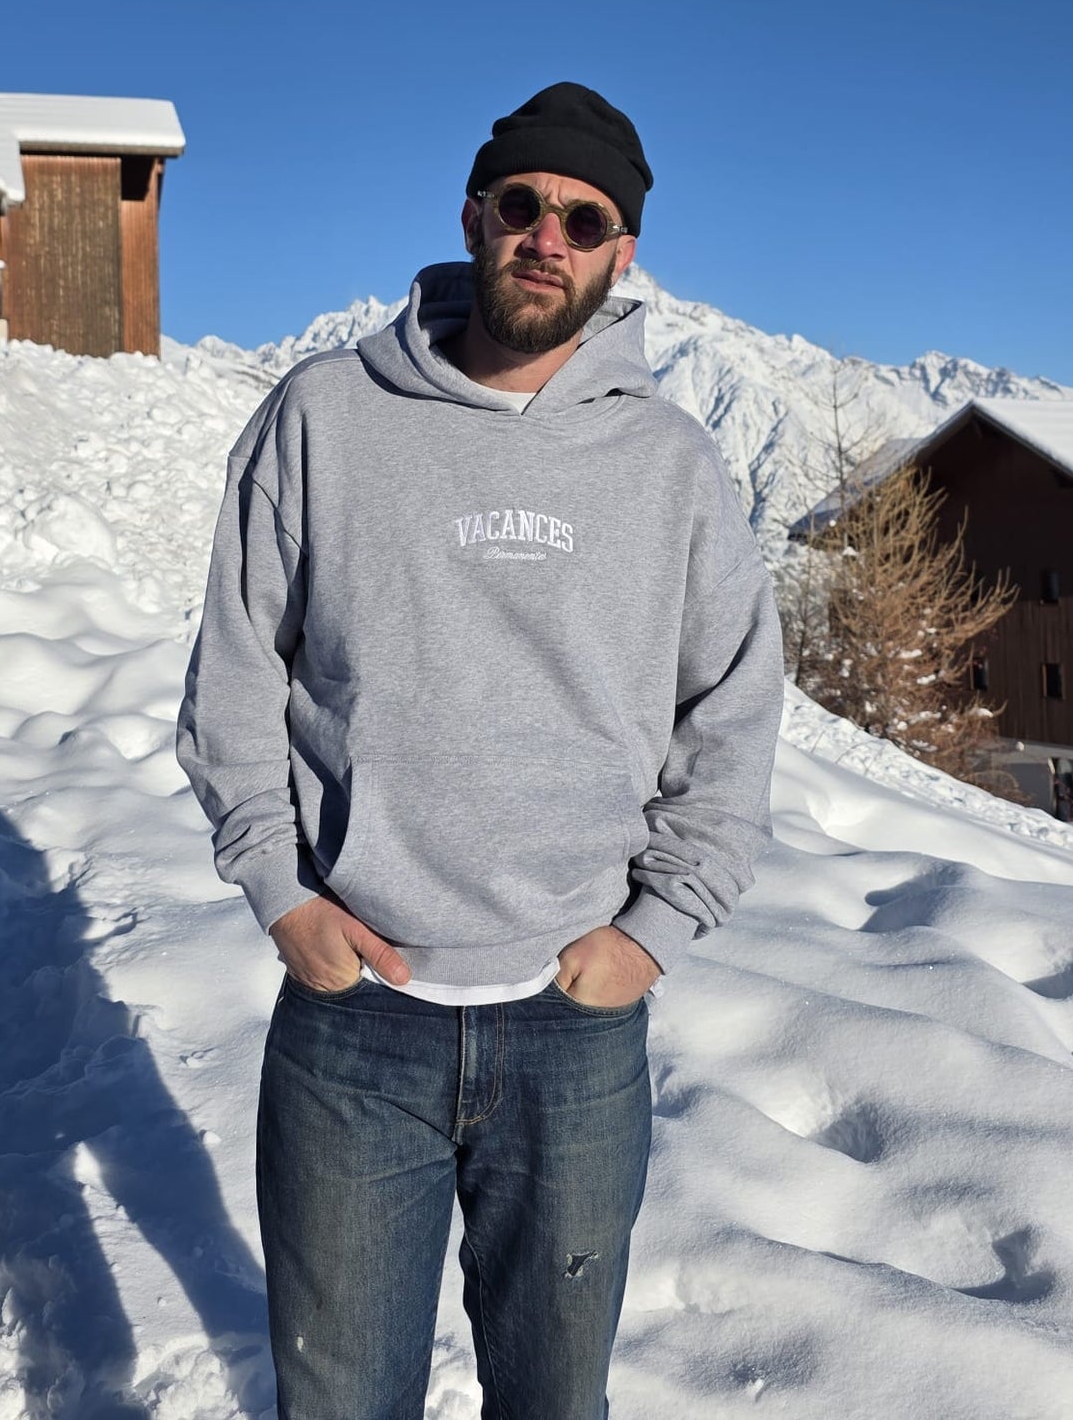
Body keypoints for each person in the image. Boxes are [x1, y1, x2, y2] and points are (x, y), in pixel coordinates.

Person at [177, 81, 784, 1420]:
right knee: (341, 1402)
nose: (545, 233)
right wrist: (279, 891)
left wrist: (656, 926)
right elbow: (232, 673)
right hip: (354, 1026)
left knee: (554, 1402)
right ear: (472, 216)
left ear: (622, 253)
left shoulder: (669, 464)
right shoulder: (324, 417)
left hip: (571, 1030)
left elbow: (733, 711)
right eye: (521, 203)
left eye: (584, 216)